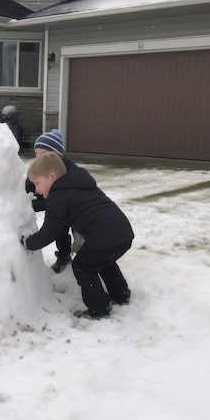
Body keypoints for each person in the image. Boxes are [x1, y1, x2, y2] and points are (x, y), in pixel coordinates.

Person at [21, 152, 134, 319]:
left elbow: (50, 232)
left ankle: (99, 308)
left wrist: (28, 243)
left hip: (103, 236)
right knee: (103, 261)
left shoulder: (58, 196)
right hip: (123, 233)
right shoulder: (78, 184)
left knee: (82, 266)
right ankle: (121, 294)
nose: (36, 189)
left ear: (51, 177)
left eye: (37, 183)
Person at [25, 129, 78, 273]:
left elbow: (67, 196)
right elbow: (29, 192)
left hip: (73, 211)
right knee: (60, 233)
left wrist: (43, 204)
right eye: (36, 154)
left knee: (81, 236)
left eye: (43, 154)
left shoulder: (69, 171)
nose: (38, 158)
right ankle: (64, 257)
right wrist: (30, 203)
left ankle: (85, 261)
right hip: (56, 210)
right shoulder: (36, 171)